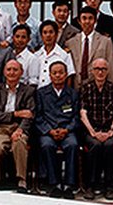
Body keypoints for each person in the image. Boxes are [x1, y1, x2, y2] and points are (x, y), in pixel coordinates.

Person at [0, 59, 36, 192]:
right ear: (4, 72)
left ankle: (21, 180)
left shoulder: (28, 91)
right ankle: (0, 178)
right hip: (1, 128)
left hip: (19, 127)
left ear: (21, 73)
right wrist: (15, 114)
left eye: (15, 70)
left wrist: (20, 129)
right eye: (8, 69)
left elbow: (30, 115)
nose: (11, 72)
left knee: (19, 143)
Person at [79, 57, 113, 199]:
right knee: (95, 145)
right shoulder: (85, 88)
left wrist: (111, 131)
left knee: (110, 145)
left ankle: (108, 185)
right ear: (92, 71)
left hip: (110, 129)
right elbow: (83, 112)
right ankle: (91, 185)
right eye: (97, 69)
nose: (100, 72)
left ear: (108, 71)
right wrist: (93, 132)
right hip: (91, 130)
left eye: (103, 69)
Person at [35, 60, 79, 198]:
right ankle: (53, 183)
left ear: (66, 74)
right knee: (47, 145)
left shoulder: (73, 93)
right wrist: (49, 131)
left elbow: (77, 117)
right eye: (55, 73)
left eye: (61, 72)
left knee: (73, 145)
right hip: (49, 131)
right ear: (50, 75)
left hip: (67, 130)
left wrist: (67, 129)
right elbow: (38, 116)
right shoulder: (41, 93)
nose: (58, 75)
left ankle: (69, 185)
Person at [67, 6, 113, 88]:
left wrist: (110, 87)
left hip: (97, 87)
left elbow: (110, 66)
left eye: (90, 18)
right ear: (79, 21)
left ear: (95, 21)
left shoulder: (105, 41)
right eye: (84, 18)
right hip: (76, 87)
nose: (87, 21)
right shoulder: (70, 42)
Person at [34, 20, 76, 87]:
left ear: (56, 34)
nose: (48, 35)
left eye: (51, 32)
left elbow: (69, 76)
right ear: (41, 36)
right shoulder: (36, 55)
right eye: (45, 33)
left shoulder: (64, 55)